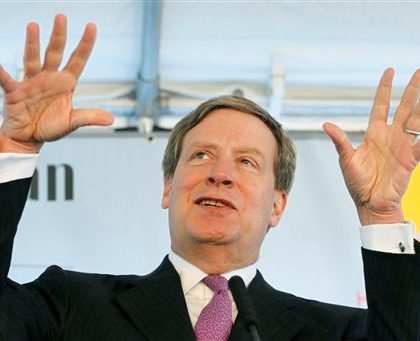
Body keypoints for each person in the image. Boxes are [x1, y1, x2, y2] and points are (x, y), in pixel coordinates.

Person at [0, 14, 419, 341]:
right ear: (168, 186)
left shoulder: (335, 331)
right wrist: (15, 150)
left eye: (247, 162)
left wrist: (381, 216)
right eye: (201, 155)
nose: (220, 175)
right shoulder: (69, 305)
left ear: (277, 205)